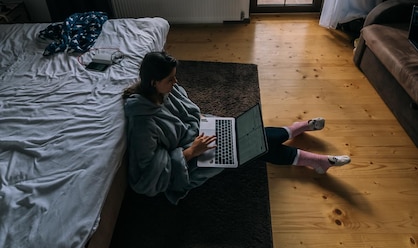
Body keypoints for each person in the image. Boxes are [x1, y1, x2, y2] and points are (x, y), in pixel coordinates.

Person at [123, 51, 351, 204]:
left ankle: (298, 138)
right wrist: (191, 152)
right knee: (248, 147)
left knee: (245, 137)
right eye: (170, 80)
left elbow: (187, 110)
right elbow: (146, 178)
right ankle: (308, 151)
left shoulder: (162, 92)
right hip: (187, 161)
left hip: (198, 135)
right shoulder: (144, 123)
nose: (176, 83)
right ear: (154, 82)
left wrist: (203, 124)